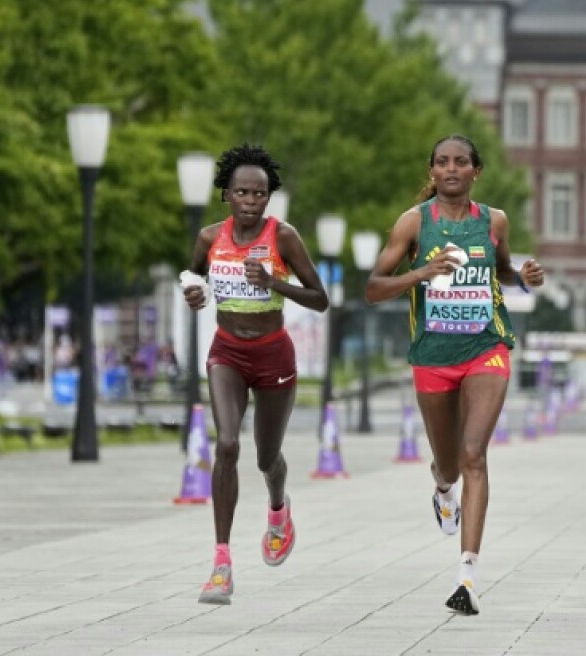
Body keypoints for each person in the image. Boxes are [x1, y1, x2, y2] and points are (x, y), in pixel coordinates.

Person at [365, 134, 545, 616]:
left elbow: (500, 272)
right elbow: (374, 288)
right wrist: (420, 275)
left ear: (475, 172)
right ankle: (443, 491)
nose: (451, 169)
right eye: (442, 162)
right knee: (448, 465)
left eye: (460, 162)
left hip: (486, 346)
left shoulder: (494, 221)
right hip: (433, 356)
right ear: (432, 172)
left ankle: (466, 577)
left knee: (474, 455)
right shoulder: (414, 224)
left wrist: (523, 277)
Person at [181, 144, 329, 605]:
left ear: (269, 198)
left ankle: (278, 510)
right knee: (226, 444)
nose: (250, 201)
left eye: (259, 194)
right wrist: (193, 292)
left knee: (267, 459)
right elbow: (191, 275)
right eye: (242, 192)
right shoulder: (210, 237)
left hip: (273, 358)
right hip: (227, 352)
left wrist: (273, 283)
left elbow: (320, 297)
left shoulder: (283, 237)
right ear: (226, 194)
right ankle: (221, 564)